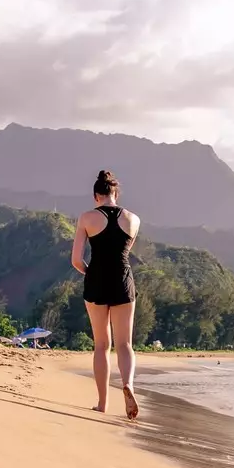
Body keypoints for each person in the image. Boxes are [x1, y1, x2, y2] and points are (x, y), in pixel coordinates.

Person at [71, 168, 140, 419]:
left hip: (97, 280)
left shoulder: (87, 218)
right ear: (116, 193)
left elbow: (76, 260)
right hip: (123, 281)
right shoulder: (133, 219)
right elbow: (124, 253)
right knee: (125, 344)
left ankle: (102, 404)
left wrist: (91, 273)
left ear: (95, 196)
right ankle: (129, 385)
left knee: (102, 345)